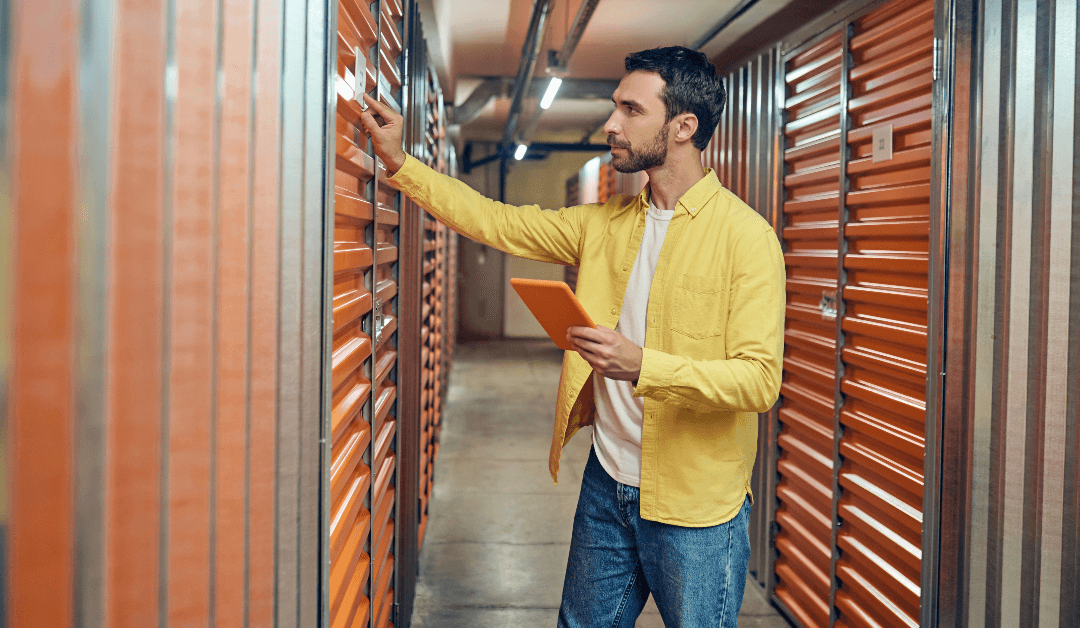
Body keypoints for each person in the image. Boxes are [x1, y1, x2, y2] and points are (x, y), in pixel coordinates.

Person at [359, 45, 785, 628]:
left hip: (696, 509)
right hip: (607, 483)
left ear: (683, 126)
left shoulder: (747, 239)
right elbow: (499, 221)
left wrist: (643, 364)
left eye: (630, 110)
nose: (611, 123)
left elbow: (760, 381)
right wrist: (401, 164)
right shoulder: (606, 224)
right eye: (614, 107)